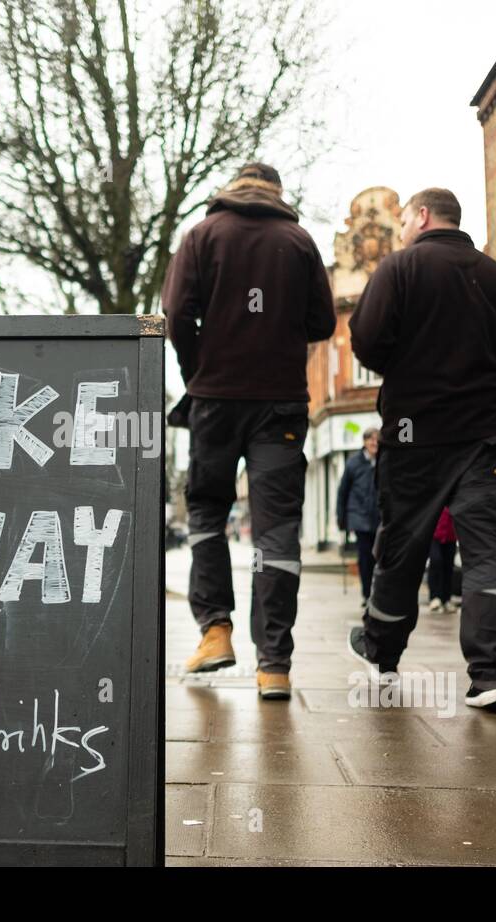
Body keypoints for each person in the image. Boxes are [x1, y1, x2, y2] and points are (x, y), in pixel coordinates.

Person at [344, 187, 496, 713]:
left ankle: (382, 658)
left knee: (402, 550)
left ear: (422, 217)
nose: (403, 228)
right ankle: (492, 674)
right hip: (485, 438)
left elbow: (365, 342)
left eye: (405, 219)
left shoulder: (399, 269)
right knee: (490, 552)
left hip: (413, 438)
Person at [163, 161, 337, 701]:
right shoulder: (299, 241)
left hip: (216, 401)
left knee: (209, 515)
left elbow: (175, 312)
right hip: (281, 403)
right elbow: (325, 324)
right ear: (276, 194)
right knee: (277, 528)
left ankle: (215, 631)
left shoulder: (201, 235)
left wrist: (199, 371)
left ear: (232, 189)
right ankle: (274, 664)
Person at [336, 428, 380, 609]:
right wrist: (341, 518)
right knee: (364, 556)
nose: (374, 444)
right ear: (364, 442)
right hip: (359, 517)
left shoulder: (383, 462)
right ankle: (366, 593)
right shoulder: (353, 463)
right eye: (371, 441)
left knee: (378, 556)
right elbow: (343, 492)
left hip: (379, 517)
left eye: (377, 441)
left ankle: (377, 592)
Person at [427, 507, 457, 613]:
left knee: (448, 566)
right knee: (436, 561)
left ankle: (446, 599)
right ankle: (434, 597)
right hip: (435, 533)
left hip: (451, 534)